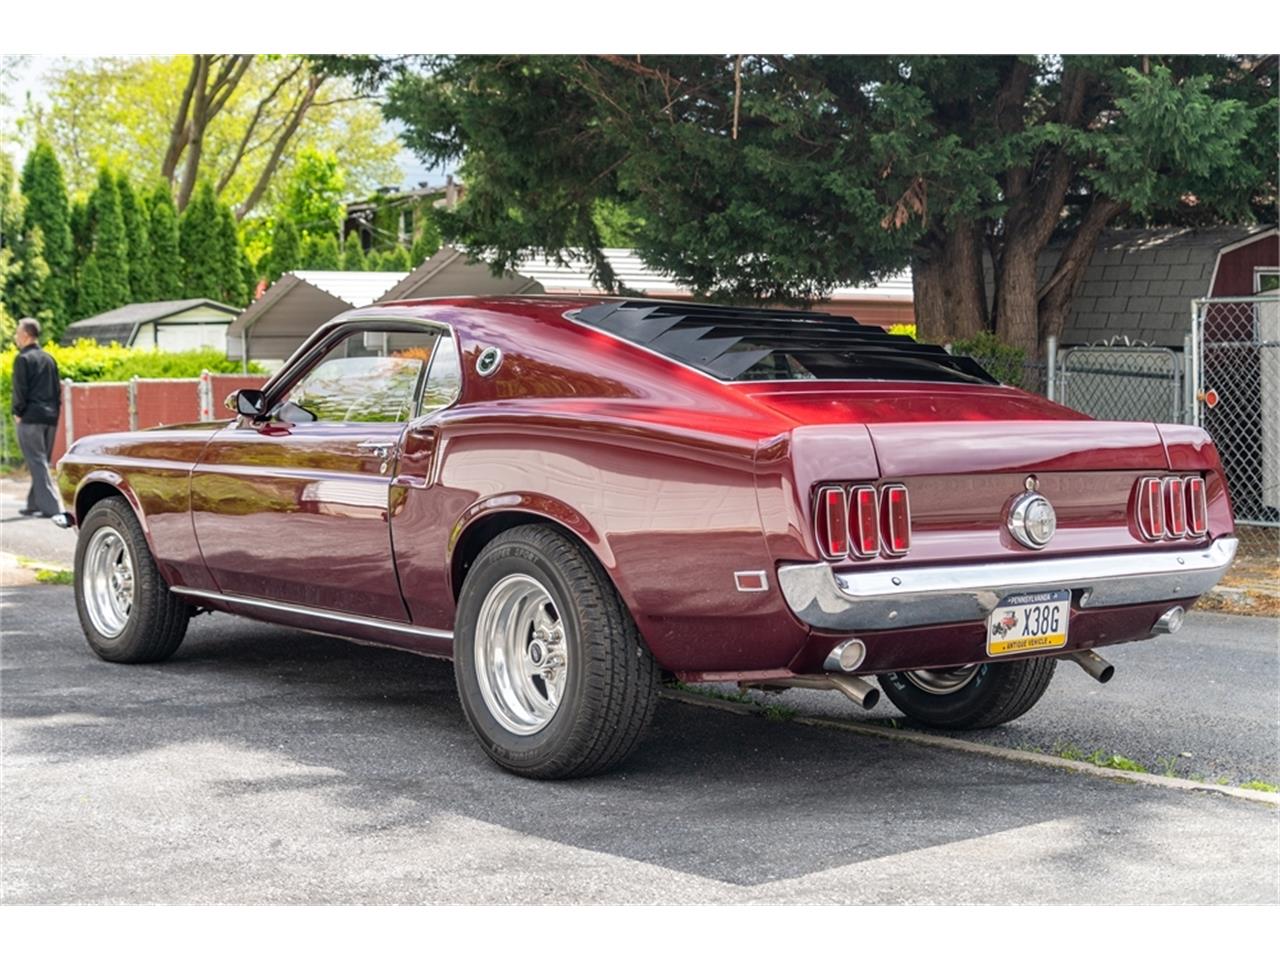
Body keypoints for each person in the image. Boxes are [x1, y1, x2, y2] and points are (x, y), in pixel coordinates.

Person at [11, 317, 63, 518]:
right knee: (40, 461)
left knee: (37, 462)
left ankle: (51, 508)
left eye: (17, 332)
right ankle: (34, 504)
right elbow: (57, 390)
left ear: (25, 335)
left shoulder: (23, 359)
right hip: (50, 418)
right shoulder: (49, 358)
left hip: (30, 418)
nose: (16, 336)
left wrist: (17, 412)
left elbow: (20, 390)